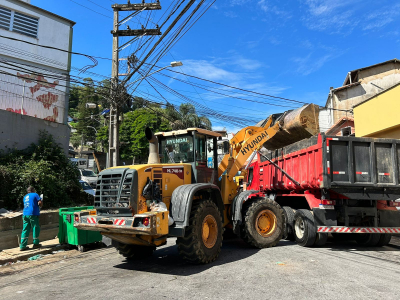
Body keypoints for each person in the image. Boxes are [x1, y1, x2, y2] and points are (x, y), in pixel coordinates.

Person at [20, 186, 43, 251]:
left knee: (25, 229)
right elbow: (40, 203)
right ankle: (36, 244)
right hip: (33, 214)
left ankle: (22, 246)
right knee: (35, 227)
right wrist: (41, 203)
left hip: (25, 214)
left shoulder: (25, 196)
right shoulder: (35, 194)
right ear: (33, 190)